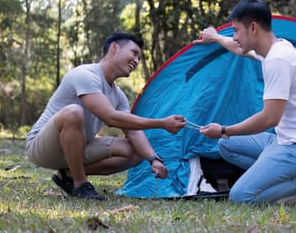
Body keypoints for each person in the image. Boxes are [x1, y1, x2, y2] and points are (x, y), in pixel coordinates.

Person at [195, 0, 296, 206]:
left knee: (241, 197)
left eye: (236, 30)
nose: (234, 36)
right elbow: (238, 48)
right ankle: (289, 177)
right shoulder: (271, 50)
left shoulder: (279, 59)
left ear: (253, 28)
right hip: (284, 141)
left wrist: (223, 129)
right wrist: (216, 37)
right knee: (226, 146)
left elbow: (269, 118)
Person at [26, 31, 186, 200]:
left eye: (139, 58)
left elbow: (132, 131)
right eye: (134, 53)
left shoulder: (118, 95)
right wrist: (161, 123)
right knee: (73, 112)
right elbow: (110, 117)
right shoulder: (85, 75)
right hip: (42, 148)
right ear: (114, 48)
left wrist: (153, 159)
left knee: (136, 152)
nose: (137, 61)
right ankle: (81, 184)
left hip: (79, 147)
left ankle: (68, 175)